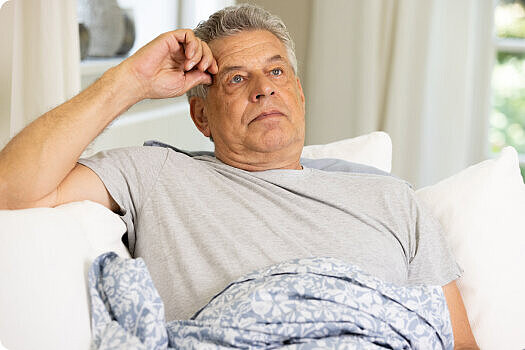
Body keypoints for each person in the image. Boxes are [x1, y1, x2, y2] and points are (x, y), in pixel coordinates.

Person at [0, 4, 478, 348]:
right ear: (201, 117)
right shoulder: (154, 174)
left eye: (277, 72)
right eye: (235, 78)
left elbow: (459, 343)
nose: (263, 88)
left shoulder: (394, 200)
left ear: (300, 95)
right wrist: (133, 81)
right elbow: (11, 186)